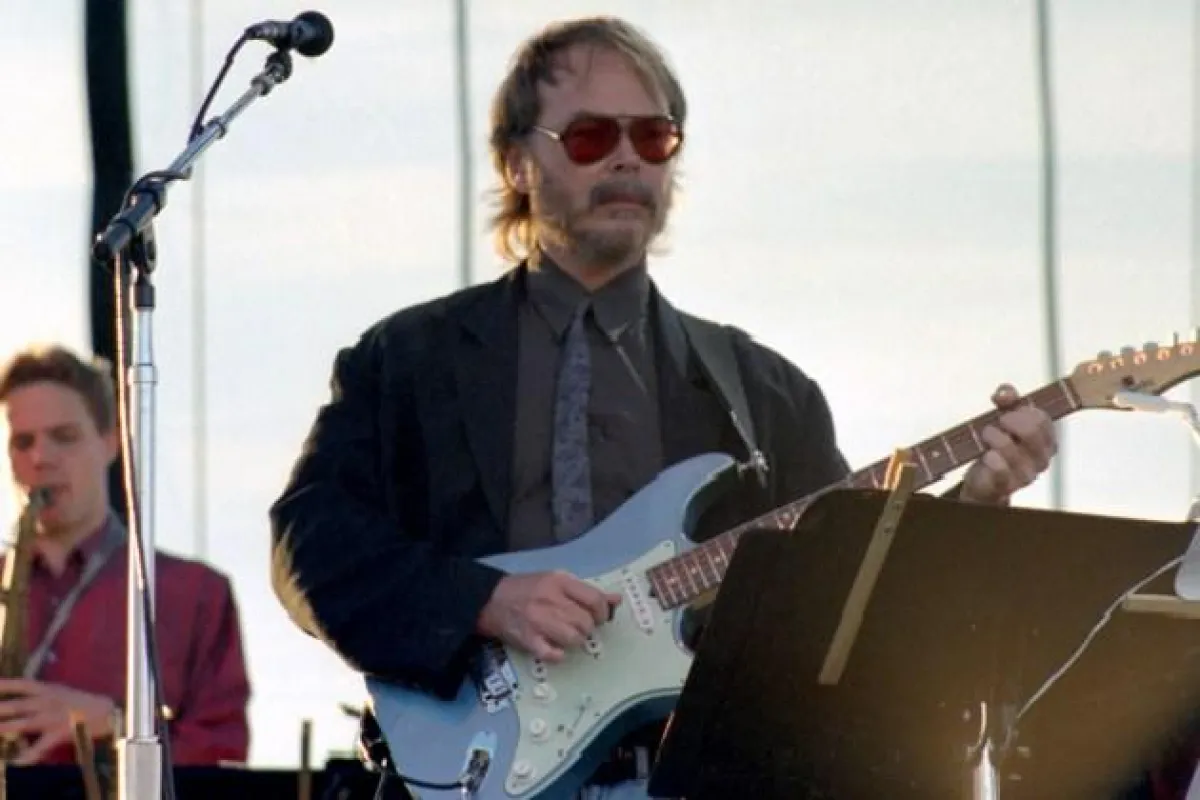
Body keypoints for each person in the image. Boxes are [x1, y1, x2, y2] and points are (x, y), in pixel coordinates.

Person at [269, 16, 1057, 799]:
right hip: (467, 770)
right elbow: (310, 549)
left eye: (653, 137)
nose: (627, 159)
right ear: (517, 162)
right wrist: (482, 601)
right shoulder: (410, 359)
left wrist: (974, 503)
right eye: (590, 137)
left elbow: (848, 605)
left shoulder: (763, 390)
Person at [0, 344, 251, 766]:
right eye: (23, 442)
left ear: (111, 442)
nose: (41, 459)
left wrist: (118, 723)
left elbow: (222, 756)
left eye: (64, 437)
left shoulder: (197, 594)